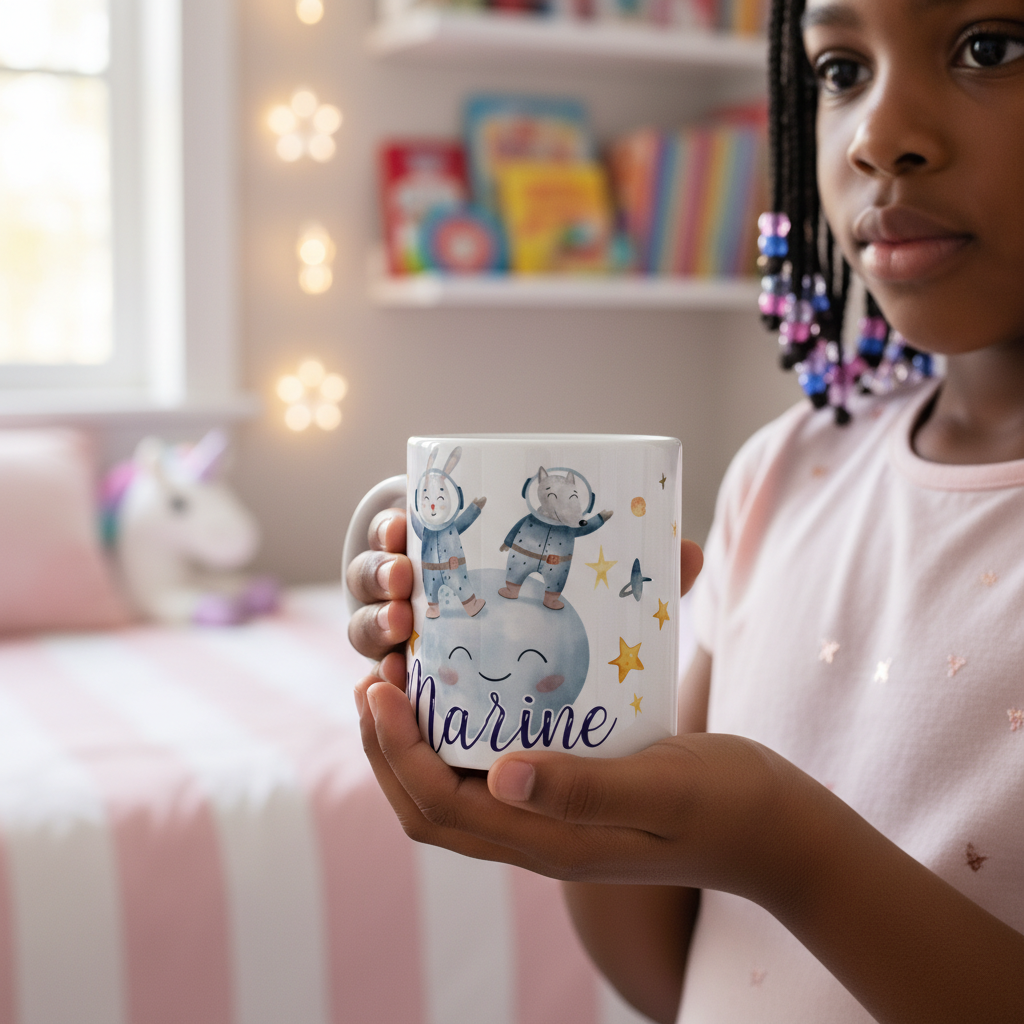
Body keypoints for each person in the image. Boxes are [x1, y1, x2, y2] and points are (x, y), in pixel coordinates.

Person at [345, 0, 1024, 1014]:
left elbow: (769, 853)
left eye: (989, 47)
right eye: (839, 69)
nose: (880, 135)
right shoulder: (785, 471)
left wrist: (784, 848)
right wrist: (556, 777)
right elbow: (670, 975)